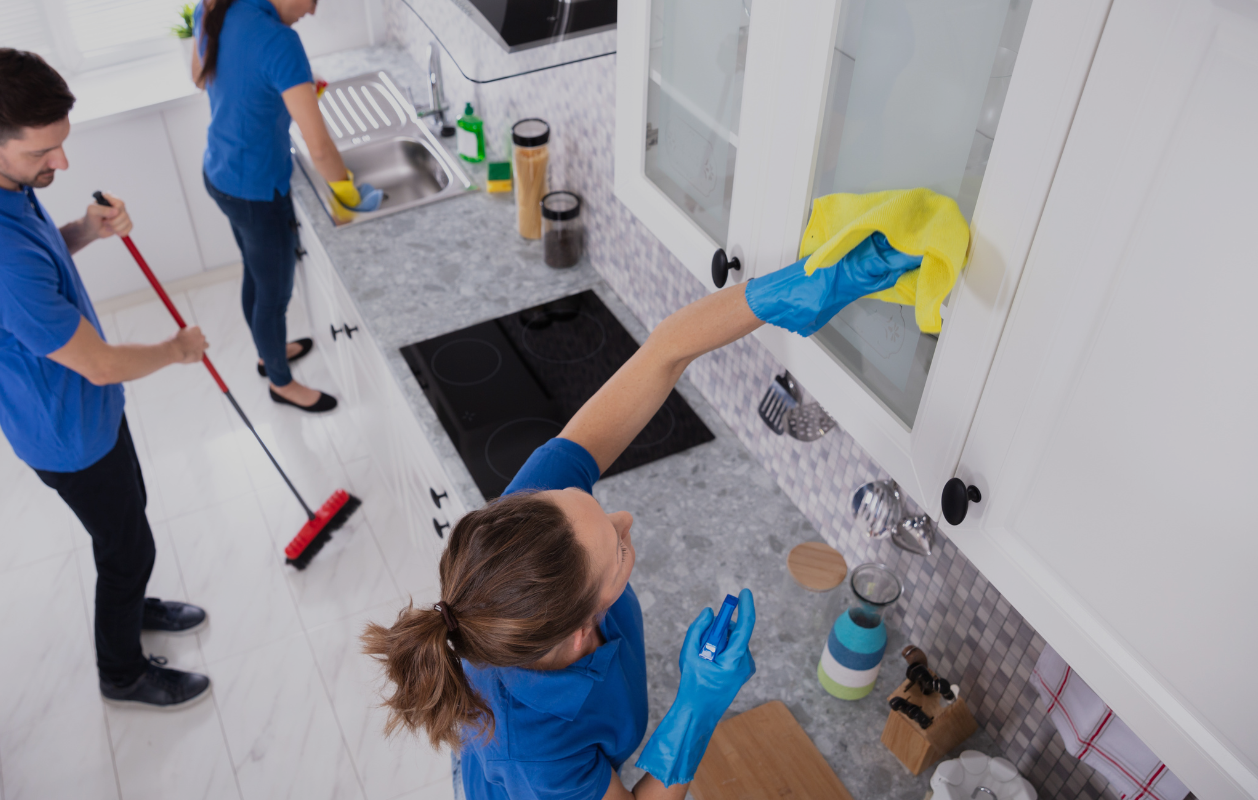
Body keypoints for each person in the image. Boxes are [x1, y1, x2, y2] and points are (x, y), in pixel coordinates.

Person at [362, 238, 924, 798]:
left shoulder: (529, 528)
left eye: (597, 511)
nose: (624, 518)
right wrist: (696, 706)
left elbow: (665, 352)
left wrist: (783, 292)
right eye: (617, 547)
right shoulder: (534, 745)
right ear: (584, 625)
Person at [0, 49, 213, 710]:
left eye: (61, 145)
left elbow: (38, 258)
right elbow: (100, 363)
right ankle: (122, 675)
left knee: (128, 523)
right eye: (44, 154)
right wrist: (176, 349)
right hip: (68, 431)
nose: (61, 164)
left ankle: (135, 601)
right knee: (126, 549)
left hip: (78, 410)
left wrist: (84, 228)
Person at [190, 0, 383, 412]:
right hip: (258, 191)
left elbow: (200, 78)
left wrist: (286, 84)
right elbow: (320, 146)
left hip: (220, 172)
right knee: (273, 295)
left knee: (255, 275)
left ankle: (267, 352)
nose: (313, 10)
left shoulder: (217, 7)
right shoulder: (280, 42)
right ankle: (280, 382)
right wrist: (347, 191)